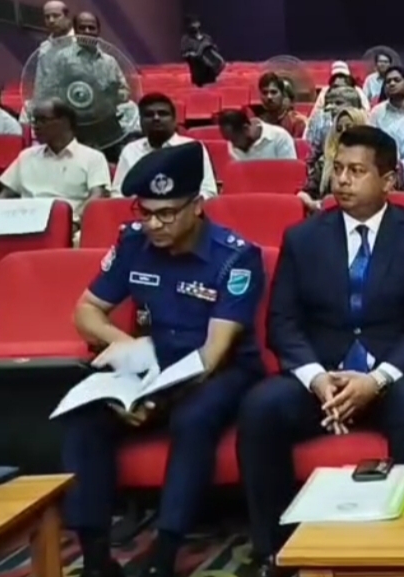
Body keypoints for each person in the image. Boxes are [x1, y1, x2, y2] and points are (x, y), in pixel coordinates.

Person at [236, 126, 404, 573]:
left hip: (394, 374)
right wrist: (318, 379)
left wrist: (377, 379)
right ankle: (275, 549)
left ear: (389, 181)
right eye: (338, 169)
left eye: (357, 171)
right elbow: (282, 323)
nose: (342, 180)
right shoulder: (303, 237)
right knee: (261, 407)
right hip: (324, 377)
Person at [64, 142, 265, 577]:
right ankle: (94, 553)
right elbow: (86, 311)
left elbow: (213, 353)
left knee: (192, 419)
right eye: (145, 212)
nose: (153, 223)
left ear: (197, 205)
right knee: (84, 417)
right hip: (151, 366)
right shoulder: (133, 243)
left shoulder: (234, 256)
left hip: (220, 371)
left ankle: (166, 550)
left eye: (167, 213)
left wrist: (156, 398)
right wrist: (128, 348)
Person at [0, 97, 109, 218]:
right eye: (34, 120)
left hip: (70, 222)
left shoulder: (93, 158)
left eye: (42, 120)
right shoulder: (27, 156)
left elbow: (97, 196)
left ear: (64, 122)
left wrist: (75, 220)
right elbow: (7, 193)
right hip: (26, 220)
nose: (36, 126)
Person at [112, 93, 216, 197]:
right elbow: (118, 194)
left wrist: (180, 204)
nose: (156, 118)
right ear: (141, 122)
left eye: (163, 114)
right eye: (149, 115)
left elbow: (208, 191)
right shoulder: (130, 151)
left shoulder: (193, 149)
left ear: (174, 120)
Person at [298, 106, 366, 211]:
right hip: (327, 215)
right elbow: (303, 194)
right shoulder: (324, 162)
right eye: (339, 129)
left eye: (349, 127)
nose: (343, 132)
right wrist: (313, 204)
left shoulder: (374, 161)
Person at [217, 109, 298, 162]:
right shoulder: (232, 145)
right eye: (228, 139)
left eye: (234, 139)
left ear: (245, 129)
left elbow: (290, 172)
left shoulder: (279, 137)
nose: (232, 145)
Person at [257, 72, 307, 138]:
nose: (269, 97)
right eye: (265, 93)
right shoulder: (259, 123)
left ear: (283, 95)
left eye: (273, 92)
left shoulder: (297, 123)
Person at [179, 15, 223, 87]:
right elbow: (184, 54)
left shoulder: (206, 38)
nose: (194, 25)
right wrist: (194, 55)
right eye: (192, 23)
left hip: (211, 78)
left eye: (195, 22)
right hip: (198, 79)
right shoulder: (186, 39)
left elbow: (215, 53)